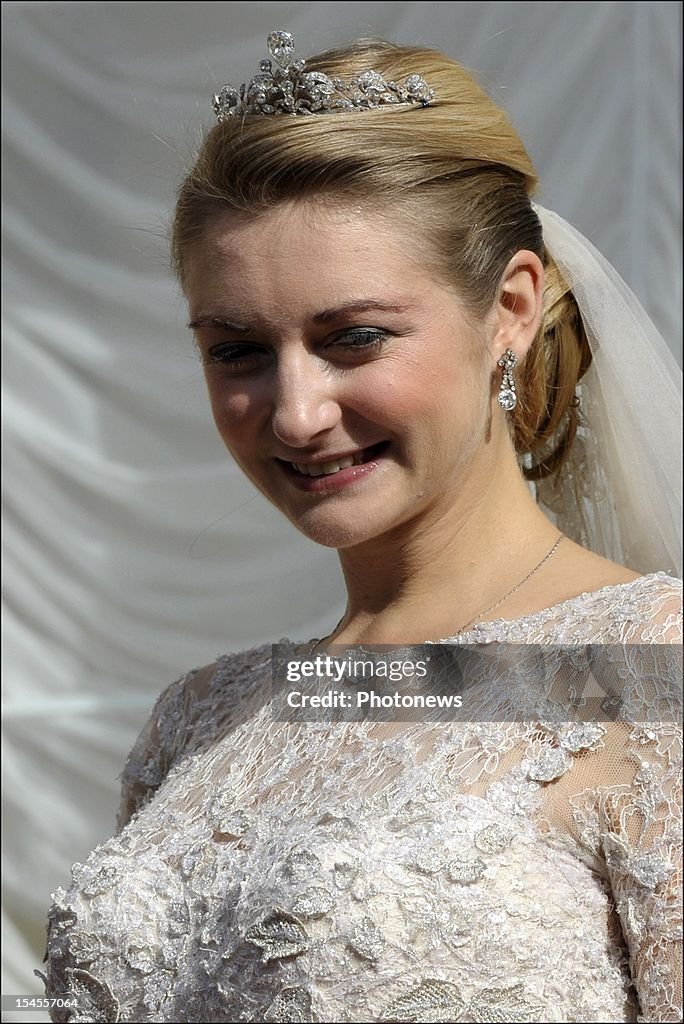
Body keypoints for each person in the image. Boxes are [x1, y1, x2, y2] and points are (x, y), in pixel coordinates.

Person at [38, 33, 682, 1023]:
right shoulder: (200, 718)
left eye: (355, 338)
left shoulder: (649, 672)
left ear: (509, 309)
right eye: (240, 350)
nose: (295, 412)